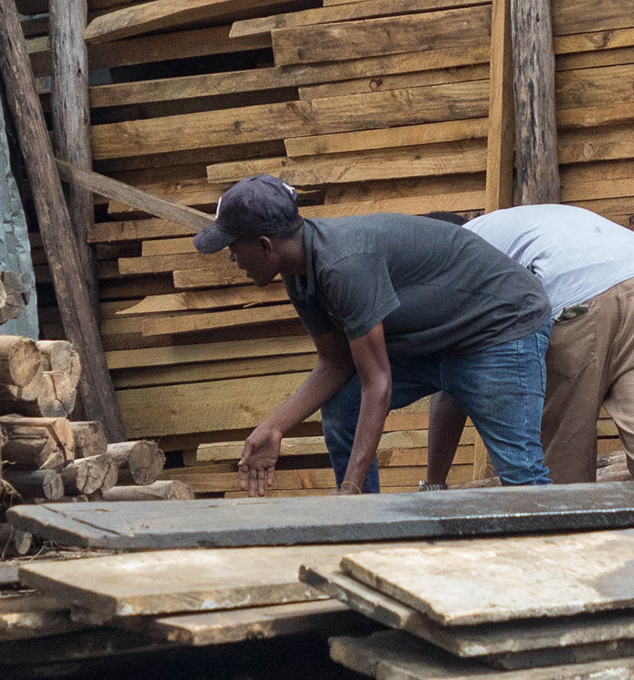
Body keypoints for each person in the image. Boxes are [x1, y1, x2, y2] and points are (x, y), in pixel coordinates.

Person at [200, 174, 554, 496]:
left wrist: (350, 486)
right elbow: (335, 363)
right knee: (343, 405)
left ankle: (354, 501)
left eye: (232, 247)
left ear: (265, 246)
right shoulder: (298, 273)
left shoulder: (342, 265)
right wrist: (275, 427)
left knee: (522, 477)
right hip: (436, 339)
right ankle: (365, 518)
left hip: (498, 328)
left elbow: (378, 383)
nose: (232, 258)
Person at [424, 202, 634, 485]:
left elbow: (449, 389)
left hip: (575, 299)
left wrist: (433, 483)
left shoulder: (456, 247)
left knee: (559, 470)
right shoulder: (526, 223)